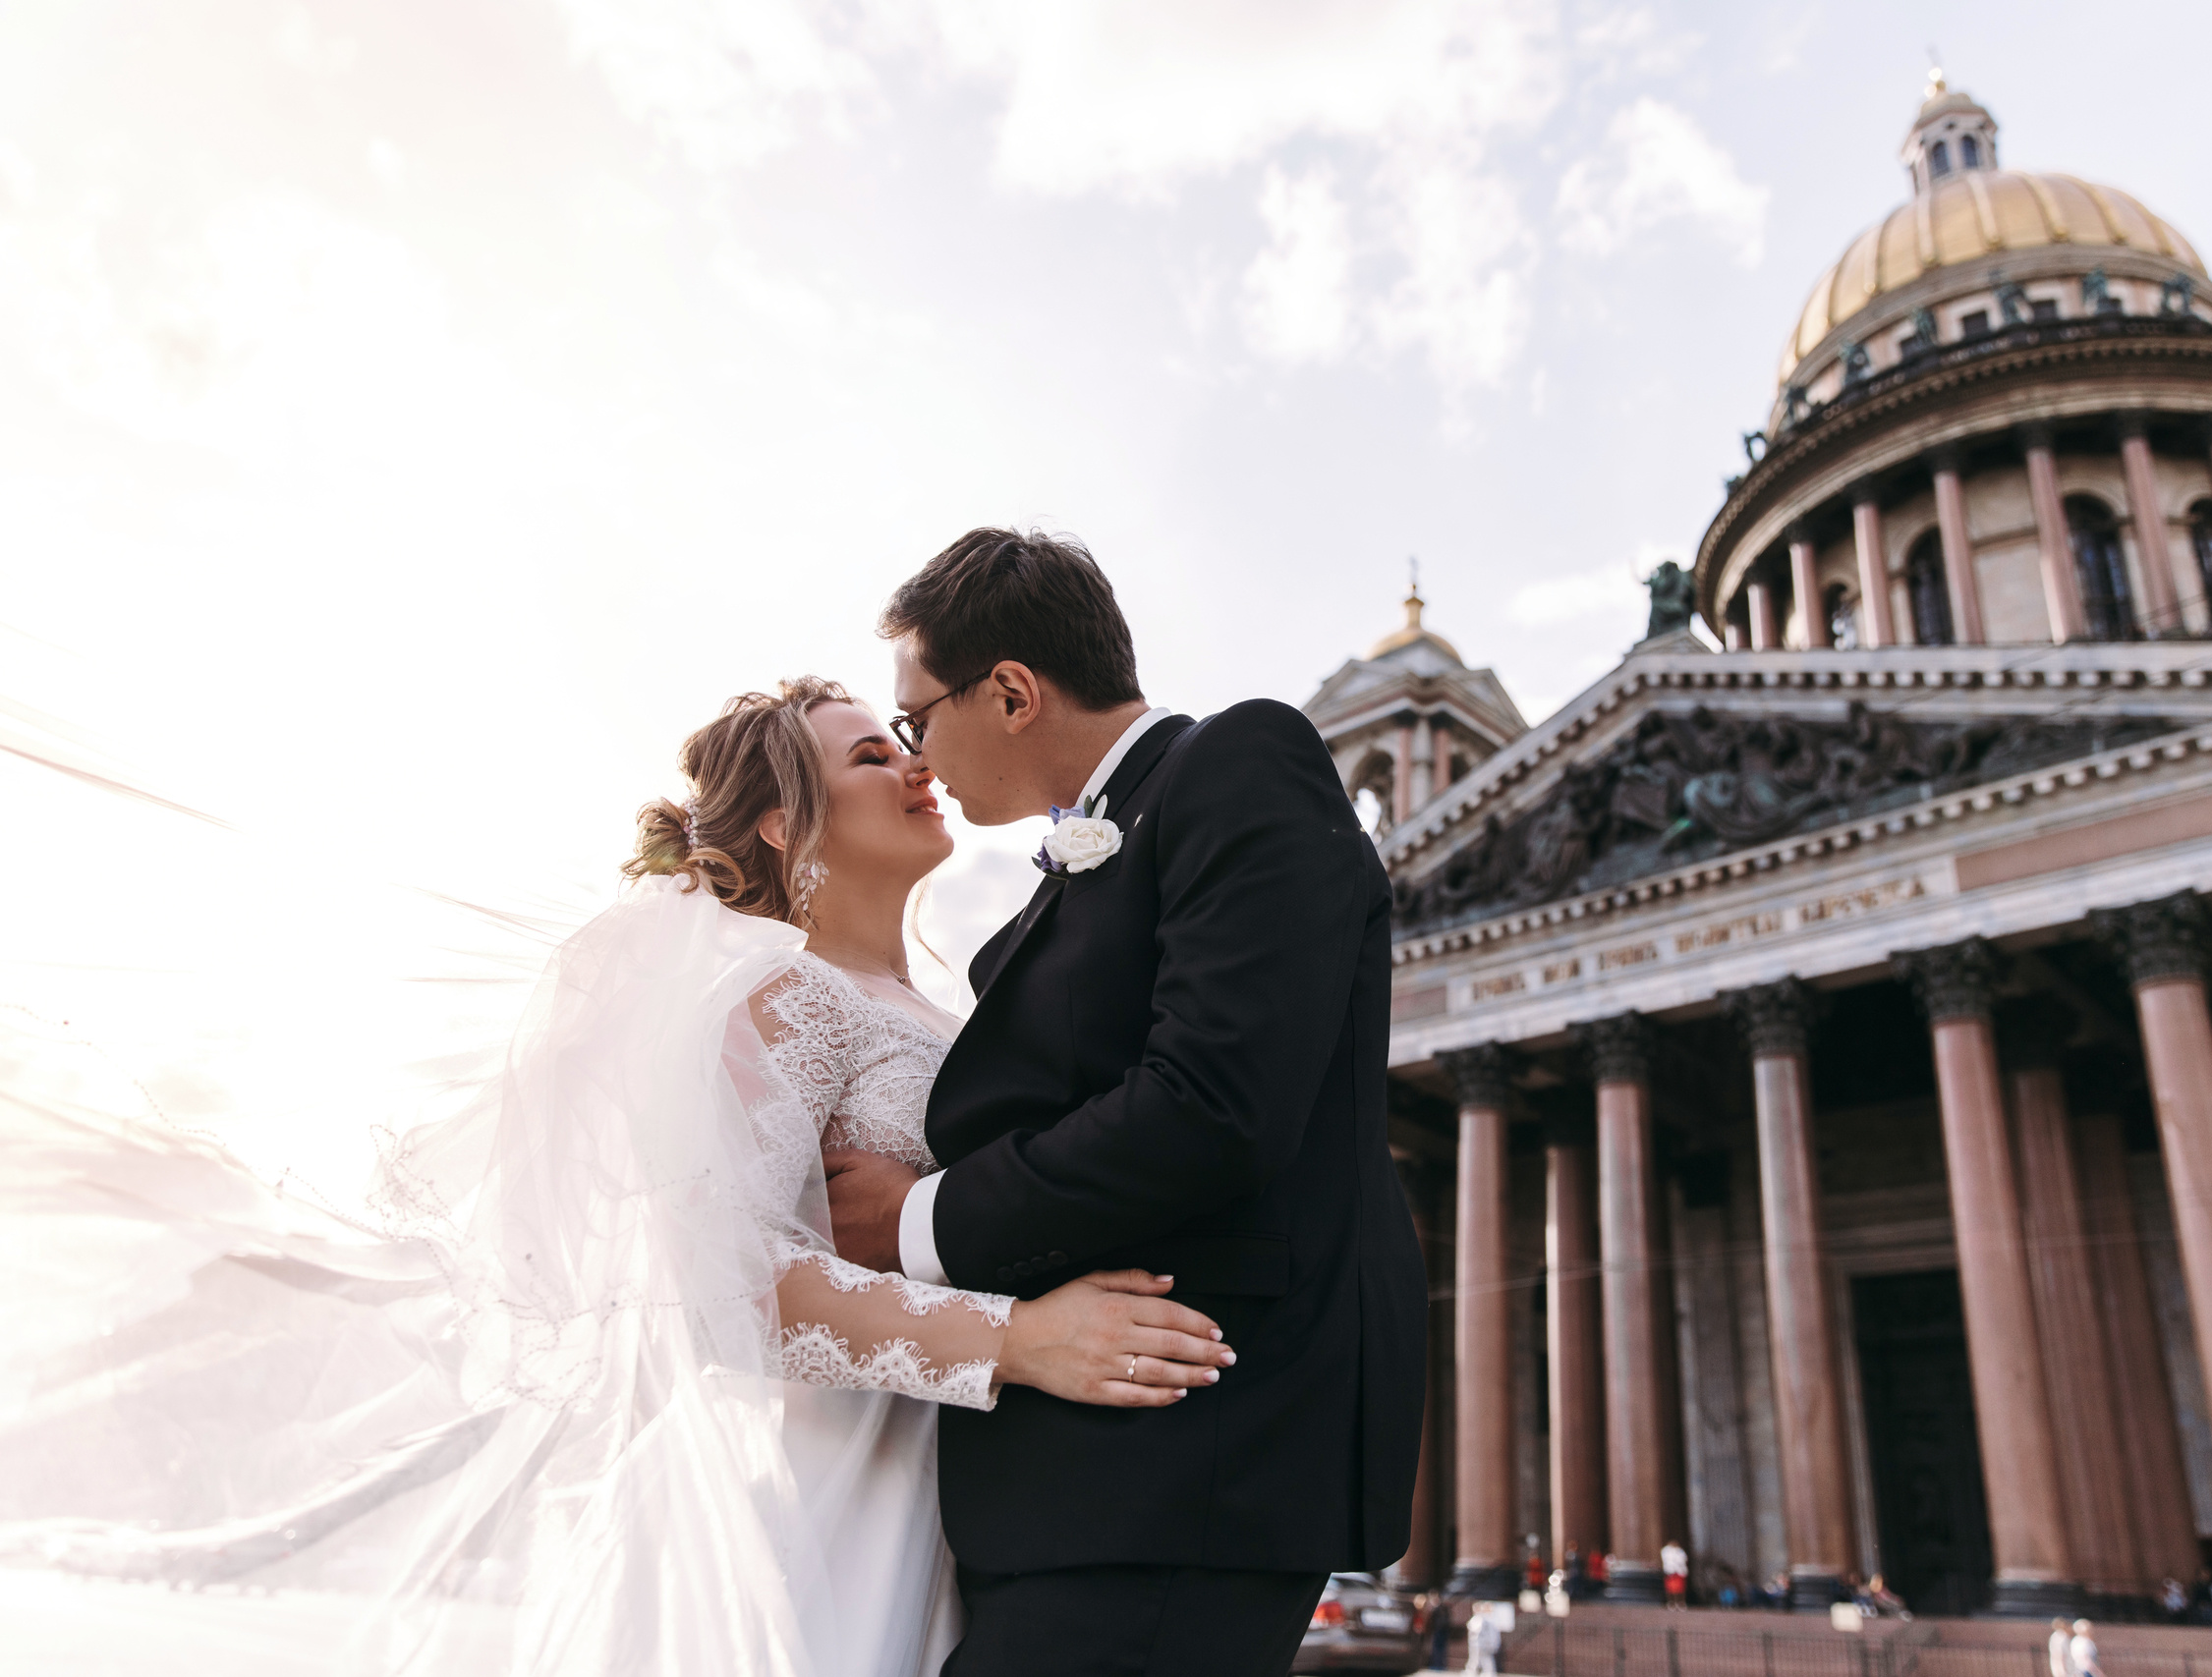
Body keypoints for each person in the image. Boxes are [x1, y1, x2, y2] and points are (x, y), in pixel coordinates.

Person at [0, 675, 1237, 1674]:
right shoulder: (776, 994)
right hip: (829, 1498)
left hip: (969, 1488)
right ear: (777, 821)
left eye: (904, 740)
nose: (916, 763)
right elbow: (734, 1290)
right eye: (870, 755)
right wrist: (1015, 1341)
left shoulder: (955, 1010)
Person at [820, 530, 1428, 1677]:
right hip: (1075, 1481)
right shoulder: (1085, 858)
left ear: (1009, 693)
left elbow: (1212, 1102)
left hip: (1187, 1456)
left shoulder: (1241, 760)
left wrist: (914, 1223)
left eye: (918, 717)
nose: (918, 755)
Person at [1464, 1604, 1502, 1677]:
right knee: (1479, 1658)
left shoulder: (1484, 1619)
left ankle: (1481, 1672)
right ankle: (1477, 1671)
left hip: (1481, 1643)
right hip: (1482, 1643)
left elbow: (1476, 1630)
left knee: (1481, 1658)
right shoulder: (1486, 1619)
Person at [1662, 1540, 1688, 1608]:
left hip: (1679, 1572)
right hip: (1670, 1572)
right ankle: (1671, 1602)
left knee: (1680, 1588)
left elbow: (1683, 1559)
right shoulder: (1666, 1551)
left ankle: (1680, 1602)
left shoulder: (1680, 1551)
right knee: (1670, 1589)